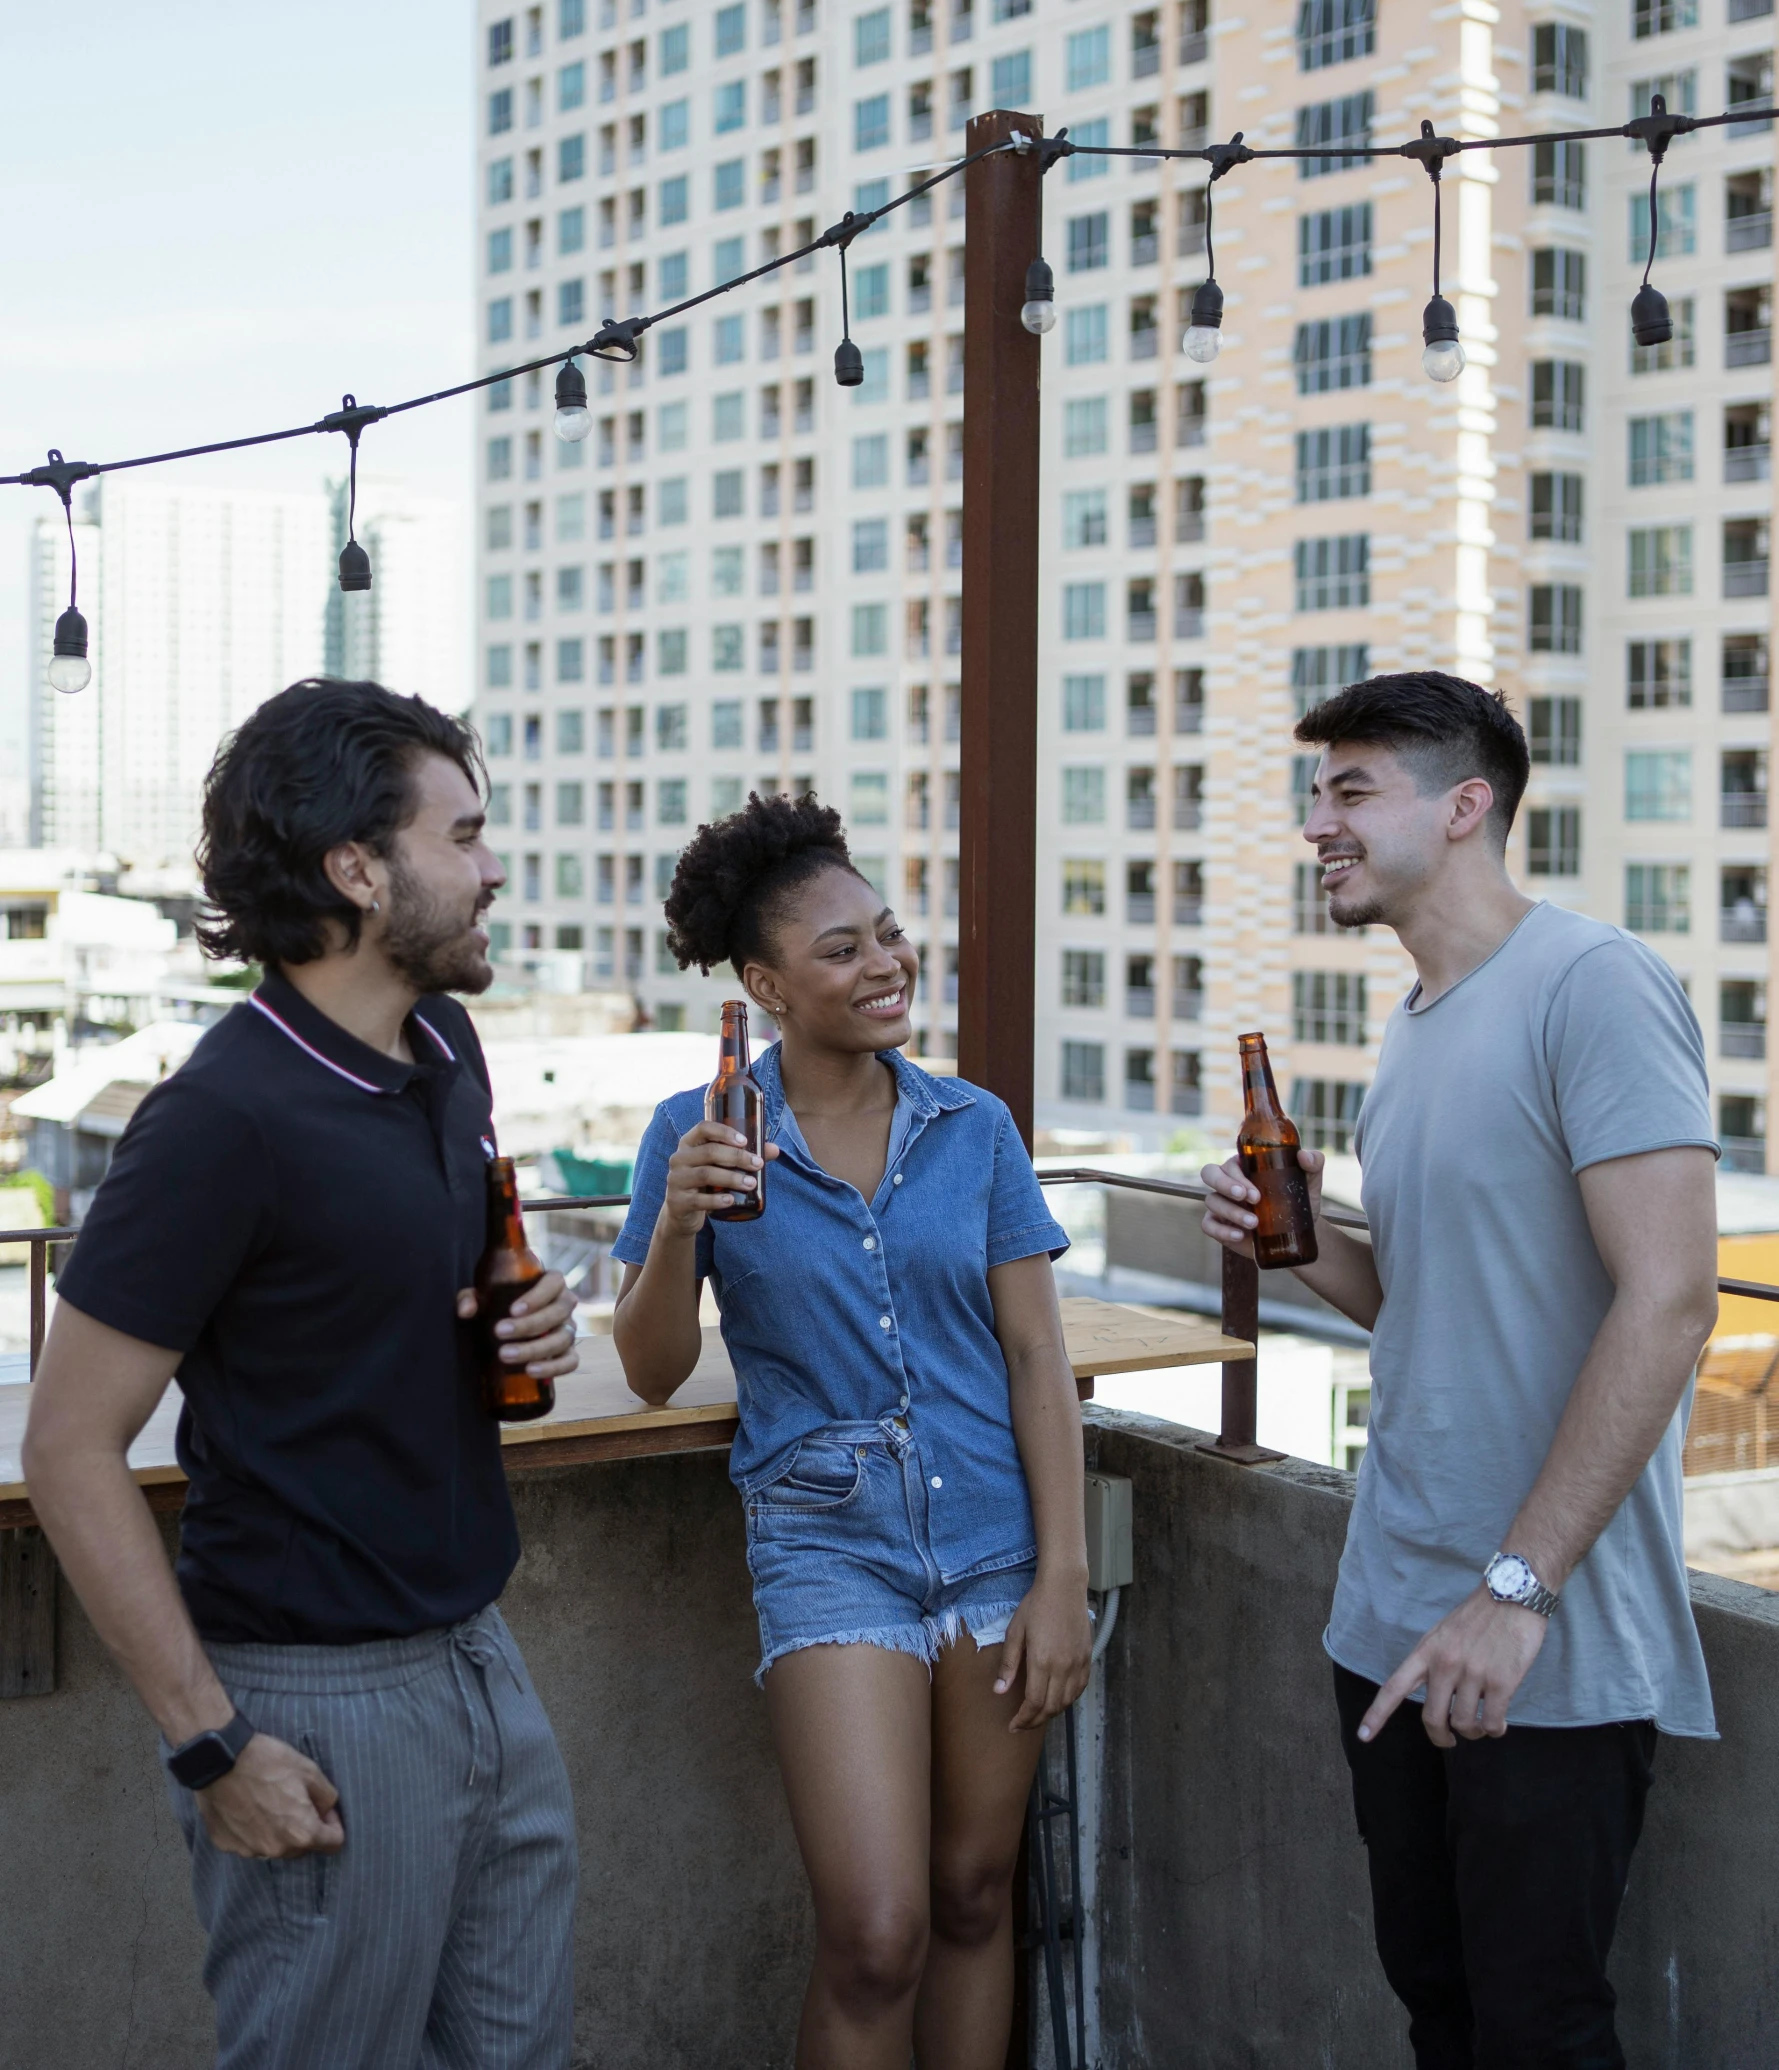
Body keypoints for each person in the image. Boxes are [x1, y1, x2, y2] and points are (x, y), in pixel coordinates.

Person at [23, 679, 583, 2070]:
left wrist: (525, 1332)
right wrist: (214, 1748)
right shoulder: (219, 1118)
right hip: (312, 1697)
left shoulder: (449, 1051)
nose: (493, 866)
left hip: (479, 1657)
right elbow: (69, 1444)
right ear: (356, 867)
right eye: (462, 835)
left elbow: (408, 1309)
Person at [1201, 672, 1719, 2070]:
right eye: (1319, 792)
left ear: (1465, 803)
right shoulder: (1411, 1027)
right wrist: (1296, 1240)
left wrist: (1514, 1587)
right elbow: (1425, 1308)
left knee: (1537, 2031)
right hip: (1386, 1616)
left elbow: (1667, 1301)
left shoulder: (1591, 983)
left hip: (1534, 1632)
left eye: (1350, 789)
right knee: (1437, 2009)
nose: (1318, 822)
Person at [611, 792, 1092, 2070]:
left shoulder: (974, 1127)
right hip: (830, 1547)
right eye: (842, 949)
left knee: (978, 1898)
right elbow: (652, 1372)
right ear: (766, 983)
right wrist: (674, 1225)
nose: (884, 964)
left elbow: (1038, 1356)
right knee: (877, 1932)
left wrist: (1064, 1578)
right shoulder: (696, 1132)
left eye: (886, 933)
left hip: (997, 1545)